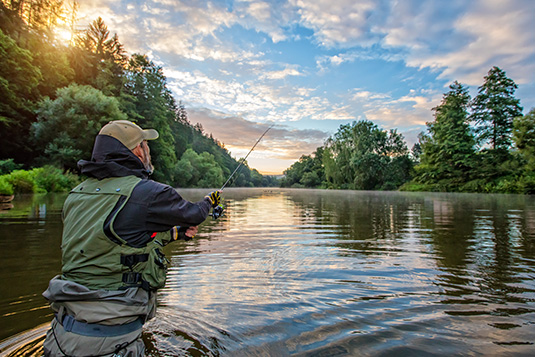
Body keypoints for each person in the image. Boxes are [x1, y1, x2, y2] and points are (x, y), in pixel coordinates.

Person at [42, 120, 221, 356]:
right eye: (146, 145)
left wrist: (176, 233)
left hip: (59, 336)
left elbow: (114, 240)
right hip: (112, 344)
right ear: (137, 150)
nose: (149, 151)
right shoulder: (150, 193)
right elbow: (194, 214)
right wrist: (209, 201)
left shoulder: (76, 195)